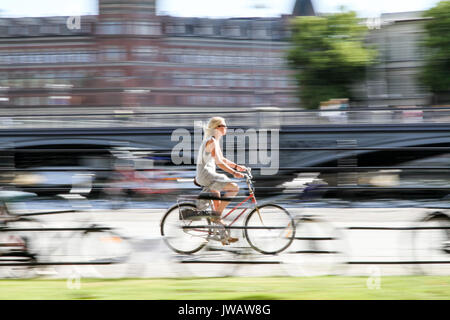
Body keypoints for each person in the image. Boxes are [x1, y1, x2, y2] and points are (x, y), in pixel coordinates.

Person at [195, 116, 248, 244]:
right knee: (234, 187)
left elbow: (222, 159)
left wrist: (237, 167)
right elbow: (219, 162)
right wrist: (234, 173)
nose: (226, 128)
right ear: (217, 128)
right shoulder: (211, 141)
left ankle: (223, 237)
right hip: (206, 175)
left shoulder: (214, 140)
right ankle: (216, 216)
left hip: (208, 175)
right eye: (224, 125)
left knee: (217, 206)